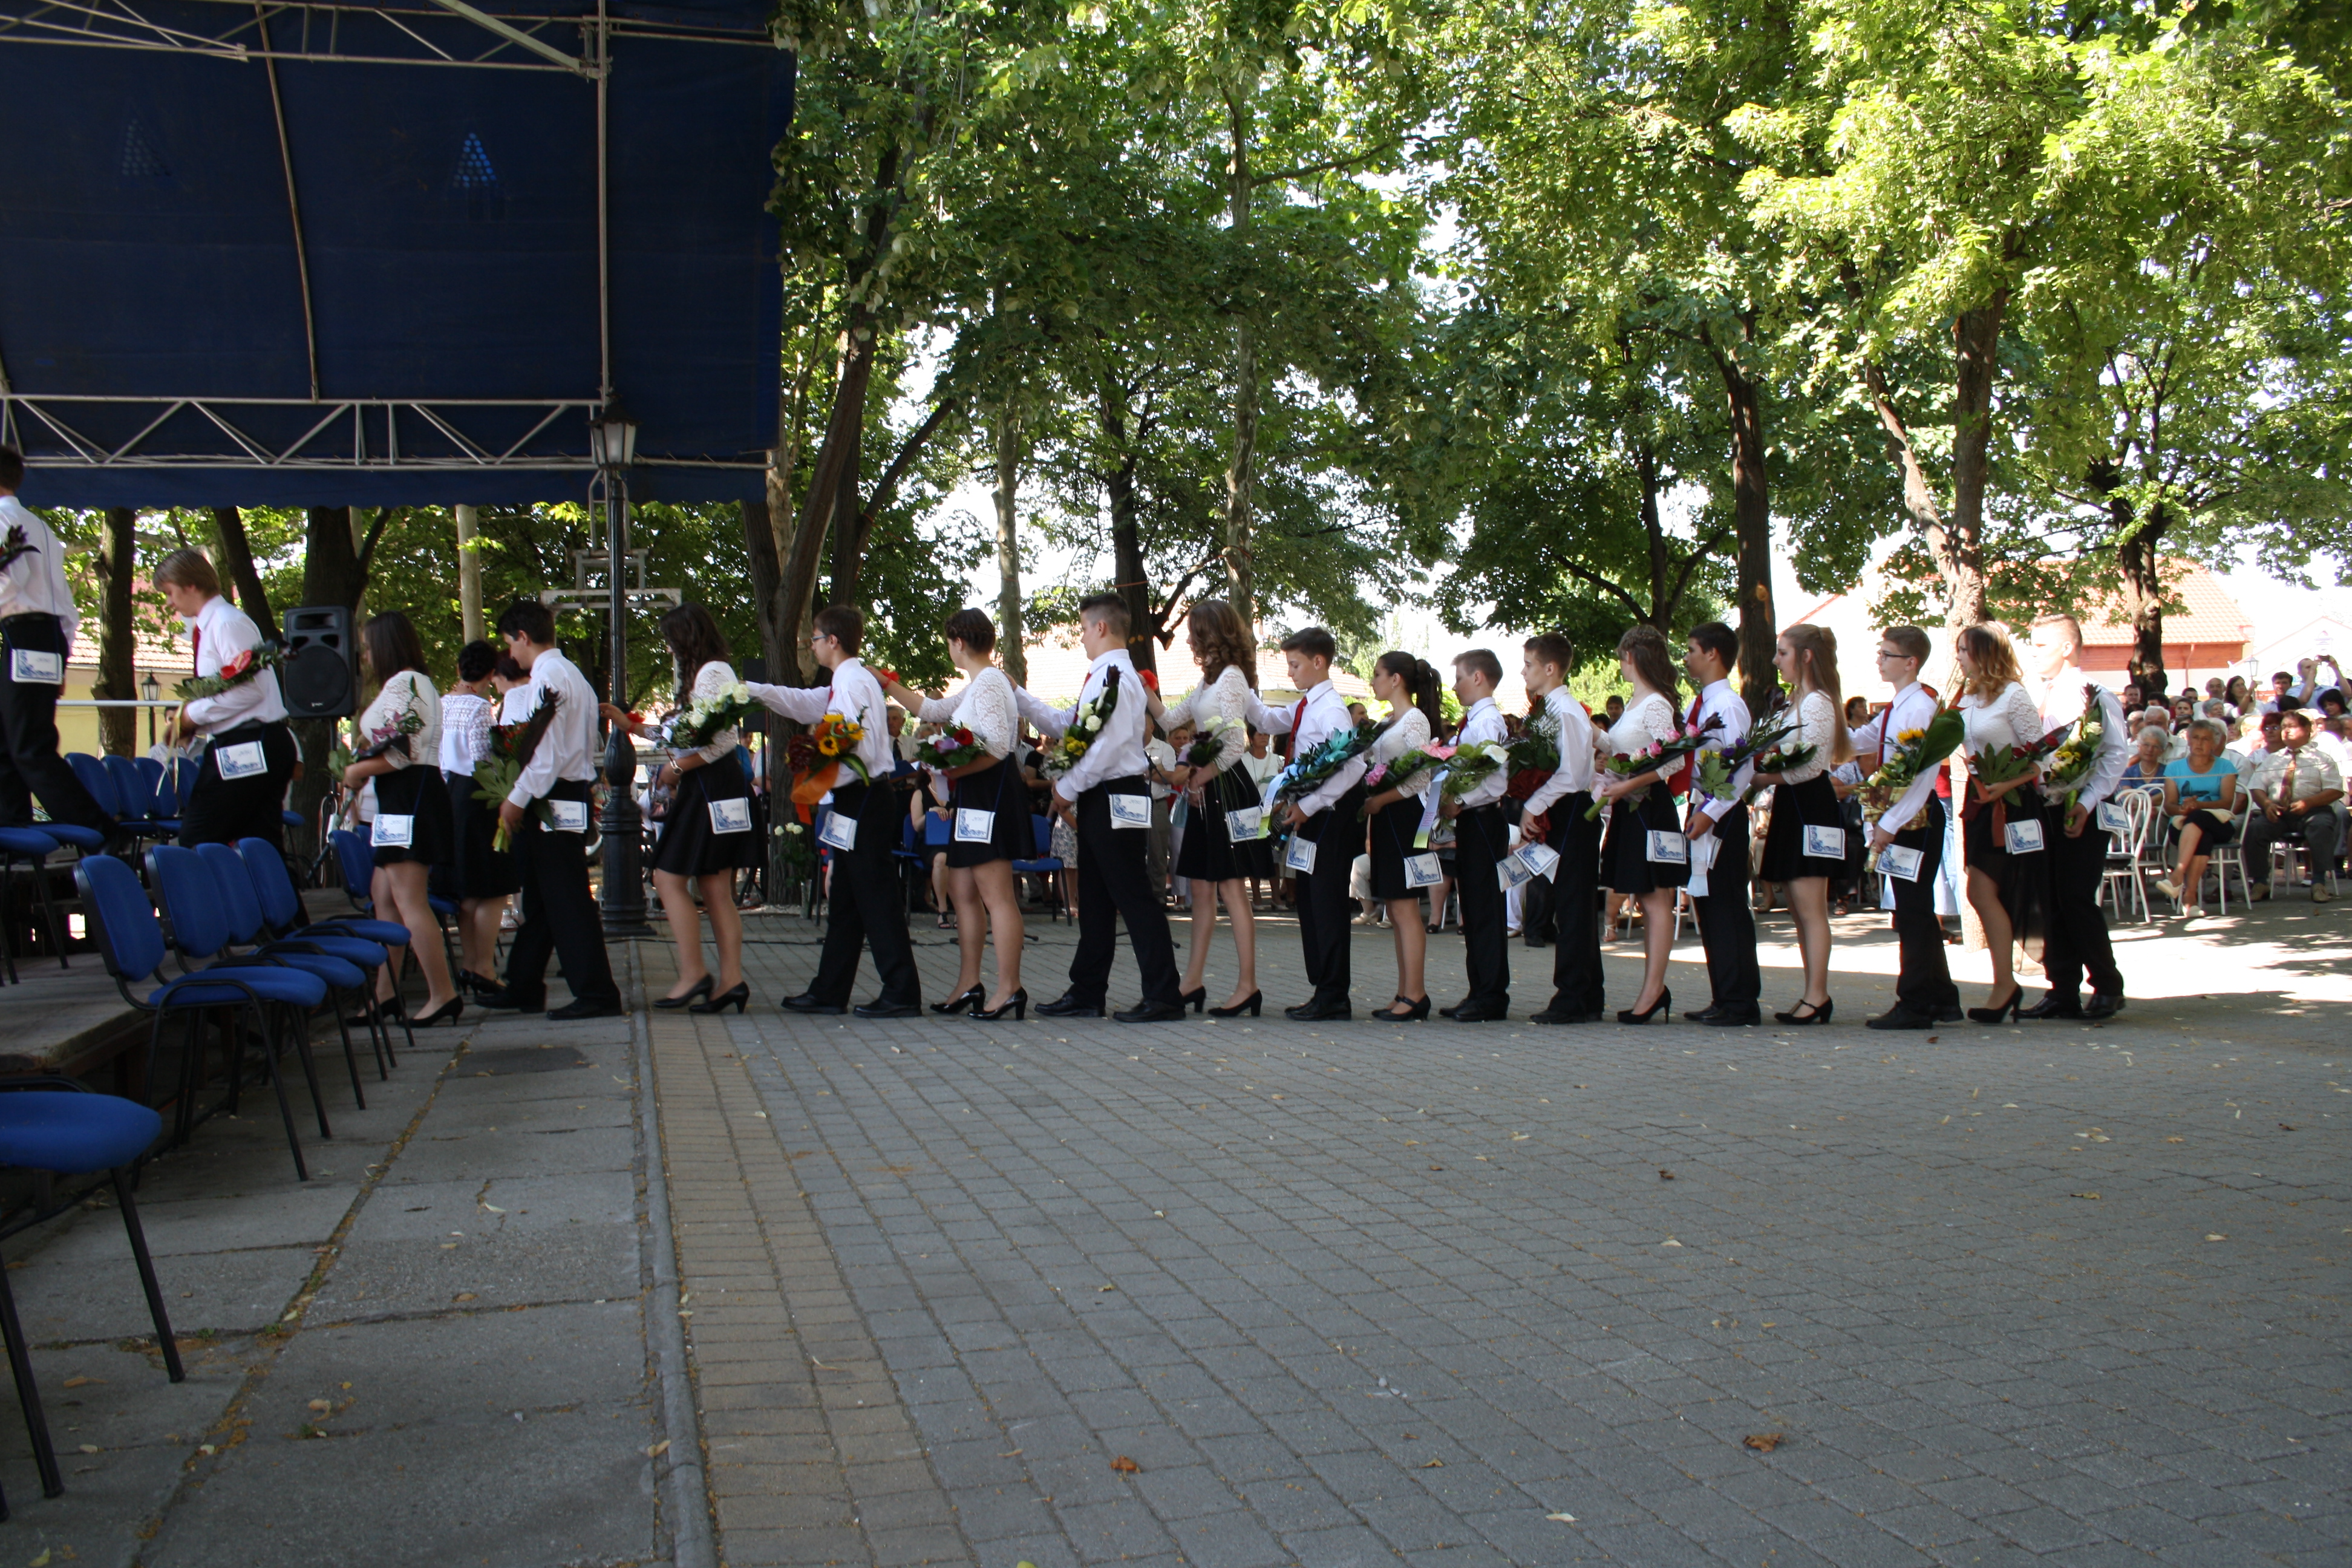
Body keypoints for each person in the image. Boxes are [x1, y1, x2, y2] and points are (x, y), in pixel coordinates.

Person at [1013, 594, 1184, 1022]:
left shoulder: (1117, 677)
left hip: (1115, 792)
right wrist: (1019, 695)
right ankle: (1088, 990)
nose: (1082, 637)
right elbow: (1069, 725)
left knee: (1133, 895)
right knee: (1095, 898)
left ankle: (1164, 994)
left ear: (1102, 628)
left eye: (1084, 628)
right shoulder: (1105, 676)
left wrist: (1066, 789)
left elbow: (1105, 748)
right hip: (1103, 794)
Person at [748, 606, 920, 1017]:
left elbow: (861, 747)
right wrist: (753, 690)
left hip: (863, 796)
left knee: (876, 897)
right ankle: (829, 989)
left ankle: (901, 991)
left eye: (814, 638)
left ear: (833, 641)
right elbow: (806, 703)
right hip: (855, 798)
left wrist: (818, 773)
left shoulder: (854, 682)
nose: (812, 645)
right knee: (845, 900)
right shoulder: (845, 681)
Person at [603, 604, 756, 1014]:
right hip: (715, 786)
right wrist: (633, 727)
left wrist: (677, 768)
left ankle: (695, 974)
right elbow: (685, 733)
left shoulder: (712, 673)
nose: (669, 649)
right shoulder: (711, 672)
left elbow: (722, 741)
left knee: (668, 877)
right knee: (714, 888)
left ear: (688, 638)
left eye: (671, 640)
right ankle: (729, 981)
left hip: (710, 787)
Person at [881, 609, 1033, 1020]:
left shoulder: (989, 682)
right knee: (963, 891)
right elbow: (932, 710)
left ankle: (1010, 987)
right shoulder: (979, 683)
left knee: (997, 896)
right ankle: (969, 983)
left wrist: (949, 770)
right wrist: (887, 682)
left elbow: (997, 746)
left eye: (949, 643)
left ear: (959, 642)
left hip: (989, 793)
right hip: (973, 793)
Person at [475, 601, 621, 1020]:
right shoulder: (571, 675)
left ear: (523, 637)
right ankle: (524, 983)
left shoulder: (550, 678)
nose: (510, 653)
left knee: (567, 898)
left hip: (552, 793)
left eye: (510, 643)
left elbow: (545, 753)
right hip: (566, 791)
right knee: (542, 898)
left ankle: (596, 992)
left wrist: (516, 799)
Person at [1149, 600, 1272, 1018]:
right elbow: (1171, 720)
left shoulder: (1233, 678)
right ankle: (1192, 981)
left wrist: (1200, 777)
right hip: (1208, 786)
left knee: (1231, 888)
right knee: (1201, 888)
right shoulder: (1208, 681)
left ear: (1211, 635)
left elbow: (1236, 741)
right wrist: (1142, 687)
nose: (1188, 639)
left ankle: (1248, 985)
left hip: (1226, 787)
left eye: (1194, 632)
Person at [339, 612, 461, 1026]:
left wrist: (357, 770)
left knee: (409, 900)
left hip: (410, 796)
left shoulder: (406, 683)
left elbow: (402, 752)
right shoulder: (410, 684)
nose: (366, 655)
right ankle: (385, 992)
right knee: (385, 895)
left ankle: (442, 994)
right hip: (404, 798)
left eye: (368, 647)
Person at [1252, 627, 1371, 1021]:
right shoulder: (1306, 705)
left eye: (1295, 664)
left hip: (1329, 816)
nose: (1290, 673)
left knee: (1327, 904)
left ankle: (1334, 994)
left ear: (1318, 662)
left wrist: (1310, 804)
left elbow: (1353, 766)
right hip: (1313, 815)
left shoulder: (1331, 709)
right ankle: (1323, 987)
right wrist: (1239, 690)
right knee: (1309, 901)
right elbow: (1268, 718)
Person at [0, 446, 115, 840]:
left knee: (29, 745)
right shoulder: (40, 526)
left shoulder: (4, 520)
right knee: (8, 741)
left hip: (23, 634)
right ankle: (14, 831)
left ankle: (98, 829)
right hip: (41, 636)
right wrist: (61, 655)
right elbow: (65, 604)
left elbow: (9, 582)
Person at [2018, 616, 2129, 1020]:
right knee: (2049, 897)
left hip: (2084, 807)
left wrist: (2087, 801)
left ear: (2067, 648)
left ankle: (2107, 985)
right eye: (2032, 645)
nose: (2034, 653)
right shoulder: (2037, 693)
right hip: (2045, 806)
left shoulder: (2094, 694)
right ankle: (2062, 987)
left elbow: (2115, 754)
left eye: (2042, 645)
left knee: (2076, 897)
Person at [1854, 627, 1963, 1030]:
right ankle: (1941, 997)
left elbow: (1921, 776)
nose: (1879, 660)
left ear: (1910, 662)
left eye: (1887, 654)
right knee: (1914, 910)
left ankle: (1915, 1003)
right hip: (1904, 817)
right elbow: (1862, 740)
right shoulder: (1898, 705)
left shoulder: (1919, 707)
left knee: (1912, 912)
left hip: (1914, 818)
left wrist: (1889, 824)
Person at [154, 548, 298, 848]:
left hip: (250, 741)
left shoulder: (226, 623)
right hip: (249, 741)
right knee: (259, 844)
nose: (168, 602)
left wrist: (191, 717)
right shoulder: (214, 625)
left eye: (169, 592)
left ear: (190, 585)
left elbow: (250, 690)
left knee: (198, 837)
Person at [1751, 626, 1851, 1025]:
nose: (1776, 660)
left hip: (1810, 804)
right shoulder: (1799, 702)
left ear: (1806, 656)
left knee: (1811, 909)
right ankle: (1812, 992)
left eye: (1783, 653)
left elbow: (1810, 767)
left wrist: (1761, 777)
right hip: (1794, 803)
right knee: (1797, 907)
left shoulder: (1818, 703)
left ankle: (1818, 995)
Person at [1952, 625, 2048, 1024]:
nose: (1959, 657)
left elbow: (2042, 756)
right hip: (1979, 799)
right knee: (1980, 890)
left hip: (2012, 802)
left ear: (1986, 654)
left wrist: (2005, 785)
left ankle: (2006, 983)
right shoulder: (1966, 697)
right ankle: (2005, 982)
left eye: (1964, 650)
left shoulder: (2013, 695)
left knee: (1991, 890)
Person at [1594, 626, 1688, 1024]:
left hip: (1649, 805)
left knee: (1654, 898)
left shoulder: (1656, 703)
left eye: (1621, 656)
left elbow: (1674, 760)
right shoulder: (1636, 701)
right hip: (1631, 802)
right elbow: (1627, 750)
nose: (1620, 663)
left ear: (1631, 655)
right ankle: (1652, 989)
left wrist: (1627, 785)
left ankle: (1654, 990)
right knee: (1645, 895)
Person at [1514, 633, 1604, 1025]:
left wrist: (1532, 805)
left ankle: (1573, 996)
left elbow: (1572, 773)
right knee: (1572, 904)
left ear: (1550, 669)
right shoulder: (1550, 709)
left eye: (1529, 665)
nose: (1523, 672)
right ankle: (1588, 994)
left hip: (1570, 810)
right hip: (1561, 809)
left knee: (1572, 906)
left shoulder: (1565, 710)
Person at [1681, 622, 1761, 1027]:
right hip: (1702, 809)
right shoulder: (1699, 705)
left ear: (1712, 653)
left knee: (1727, 906)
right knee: (1708, 906)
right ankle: (1723, 994)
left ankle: (1741, 1001)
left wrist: (1710, 812)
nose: (1686, 658)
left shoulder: (1728, 705)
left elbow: (1742, 768)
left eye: (1691, 650)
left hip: (1722, 815)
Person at [438, 638, 515, 995]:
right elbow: (483, 758)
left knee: (466, 889)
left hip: (449, 794)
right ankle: (483, 967)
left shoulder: (441, 704)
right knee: (492, 888)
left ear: (459, 669)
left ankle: (469, 964)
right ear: (491, 673)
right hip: (477, 794)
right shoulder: (479, 708)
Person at [2239, 710, 2341, 903]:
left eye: (2292, 727)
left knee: (2321, 826)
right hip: (2279, 812)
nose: (2286, 731)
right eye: (2283, 727)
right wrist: (2267, 804)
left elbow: (2335, 790)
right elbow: (2256, 787)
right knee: (2255, 829)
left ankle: (2319, 882)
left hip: (2314, 810)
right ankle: (2260, 882)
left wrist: (2309, 802)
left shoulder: (2322, 759)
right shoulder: (2273, 759)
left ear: (2307, 729)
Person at [2153, 718, 2238, 912]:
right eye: (2196, 738)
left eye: (2206, 739)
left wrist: (2198, 806)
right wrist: (2184, 809)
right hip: (2183, 825)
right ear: (2189, 741)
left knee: (2199, 816)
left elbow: (2227, 802)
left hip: (2219, 823)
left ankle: (2177, 875)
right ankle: (2190, 897)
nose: (2200, 743)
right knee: (2203, 835)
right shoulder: (2174, 768)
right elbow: (2170, 806)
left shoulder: (2225, 767)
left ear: (2214, 743)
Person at [2120, 725, 2170, 791]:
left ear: (2162, 751)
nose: (2150, 750)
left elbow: (2167, 792)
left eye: (2155, 747)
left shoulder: (2168, 772)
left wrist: (2149, 799)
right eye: (2146, 745)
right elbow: (2127, 794)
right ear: (2139, 747)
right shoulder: (2128, 772)